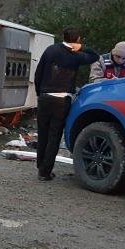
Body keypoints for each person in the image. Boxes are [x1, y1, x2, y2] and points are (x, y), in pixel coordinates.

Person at [33, 28, 99, 182]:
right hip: (62, 99)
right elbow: (95, 56)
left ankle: (40, 165)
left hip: (44, 96)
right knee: (54, 135)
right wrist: (81, 48)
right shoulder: (76, 55)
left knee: (42, 133)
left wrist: (39, 92)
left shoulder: (50, 50)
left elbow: (38, 73)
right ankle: (45, 172)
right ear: (78, 39)